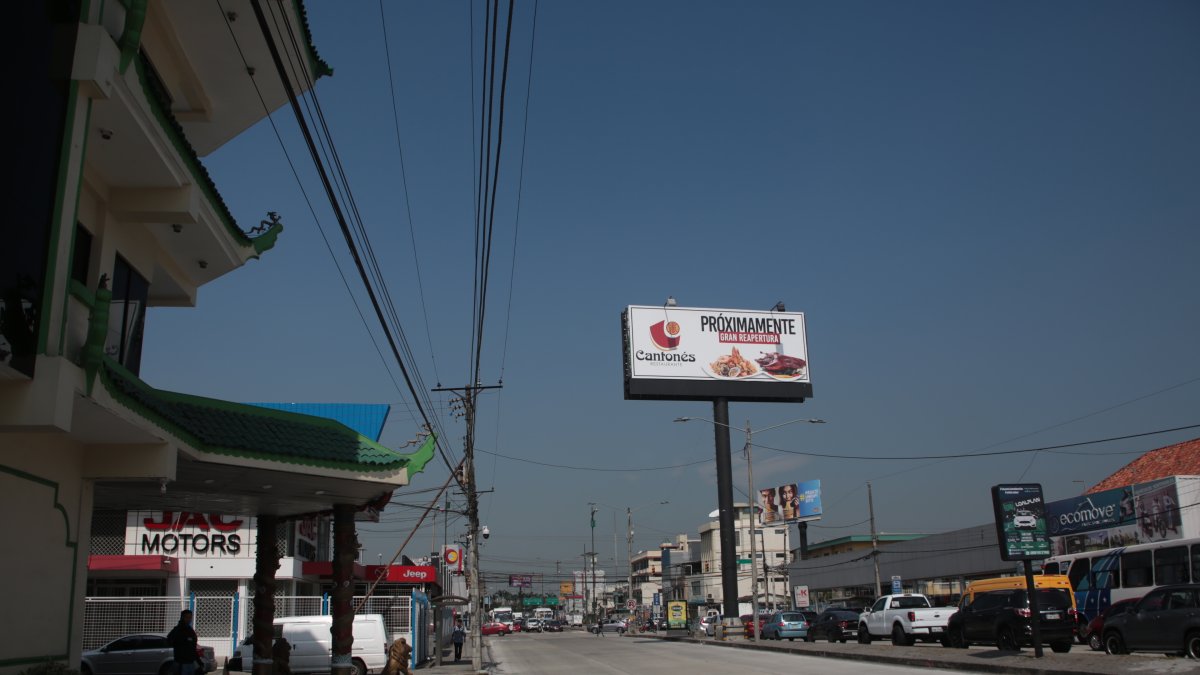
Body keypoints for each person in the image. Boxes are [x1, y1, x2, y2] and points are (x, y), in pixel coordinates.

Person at [166, 610, 202, 675]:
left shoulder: (190, 630)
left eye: (190, 617)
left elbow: (192, 647)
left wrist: (198, 661)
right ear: (182, 617)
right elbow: (170, 641)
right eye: (187, 617)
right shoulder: (177, 630)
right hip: (181, 663)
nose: (189, 619)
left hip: (190, 662)